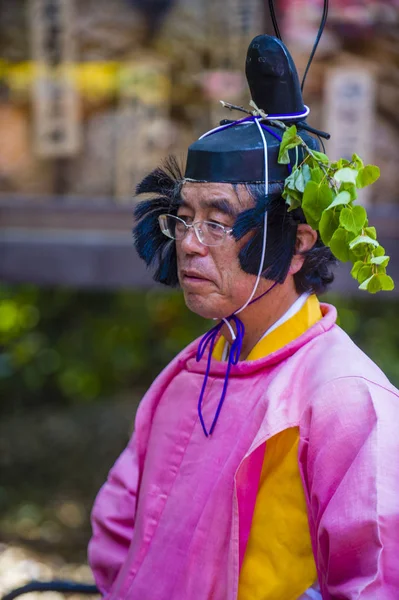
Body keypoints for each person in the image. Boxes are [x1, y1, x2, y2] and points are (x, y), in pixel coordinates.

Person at [88, 33, 399, 600]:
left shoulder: (343, 397)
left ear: (299, 240)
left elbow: (376, 582)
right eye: (182, 218)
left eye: (218, 221)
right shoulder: (188, 373)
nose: (189, 244)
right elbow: (117, 537)